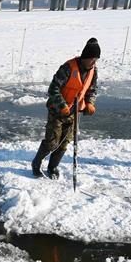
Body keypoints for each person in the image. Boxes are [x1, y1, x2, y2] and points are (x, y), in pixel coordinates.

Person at [31, 38, 100, 179]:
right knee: (52, 142)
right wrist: (61, 105)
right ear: (85, 57)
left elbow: (91, 90)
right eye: (92, 59)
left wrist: (90, 103)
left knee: (64, 143)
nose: (94, 62)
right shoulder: (68, 68)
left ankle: (53, 167)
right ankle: (36, 164)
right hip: (57, 111)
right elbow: (53, 89)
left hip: (74, 112)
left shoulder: (93, 71)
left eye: (96, 59)